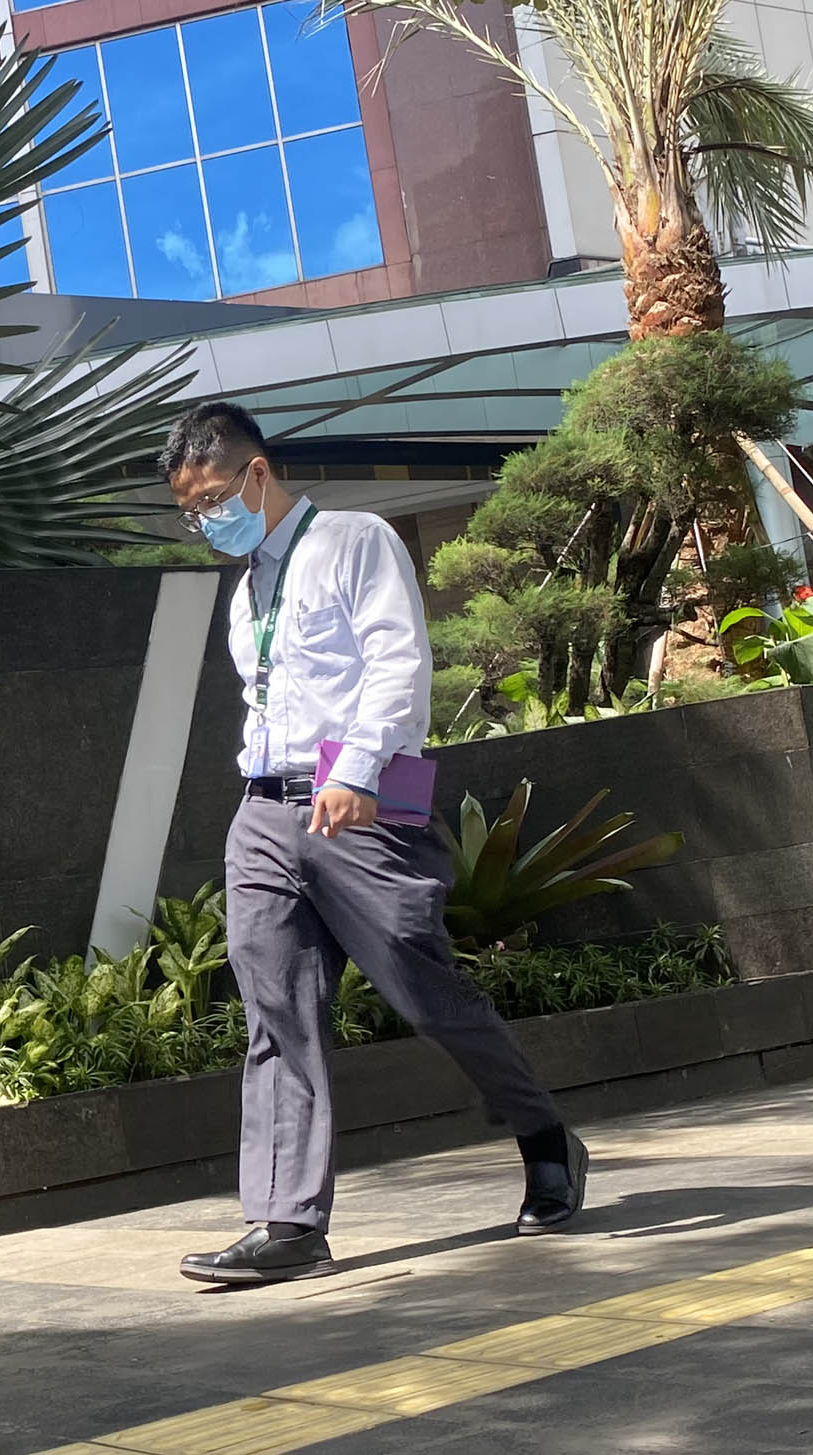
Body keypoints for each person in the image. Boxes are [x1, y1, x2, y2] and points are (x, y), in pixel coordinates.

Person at [159, 402, 583, 1285]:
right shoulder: (246, 592)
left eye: (210, 501)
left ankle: (545, 1134)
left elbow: (400, 663)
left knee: (421, 988)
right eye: (189, 512)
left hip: (366, 795)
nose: (204, 523)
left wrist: (354, 771)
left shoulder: (356, 541)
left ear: (257, 475)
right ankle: (286, 1224)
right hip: (266, 811)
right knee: (274, 1009)